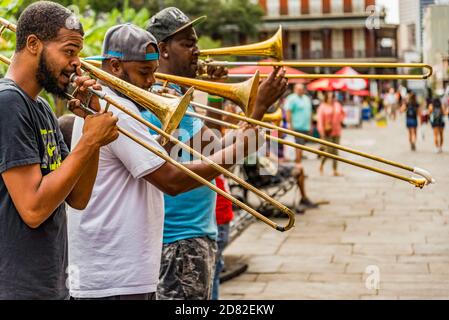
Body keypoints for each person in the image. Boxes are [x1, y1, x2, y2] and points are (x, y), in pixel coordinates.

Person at [67, 23, 267, 300]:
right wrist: (239, 148)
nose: (151, 81)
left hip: (124, 272)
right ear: (114, 66)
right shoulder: (114, 111)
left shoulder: (115, 107)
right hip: (115, 276)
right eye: (144, 73)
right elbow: (171, 180)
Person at [146, 7, 288, 300]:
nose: (198, 51)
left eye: (195, 42)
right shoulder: (161, 100)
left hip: (196, 233)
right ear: (163, 50)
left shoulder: (180, 96)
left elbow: (214, 145)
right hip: (177, 239)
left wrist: (235, 102)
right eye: (187, 44)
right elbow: (219, 155)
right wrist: (256, 110)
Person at [0, 1, 119, 300]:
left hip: (51, 286)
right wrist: (89, 141)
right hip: (17, 290)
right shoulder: (8, 103)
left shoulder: (40, 107)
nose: (77, 63)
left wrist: (91, 125)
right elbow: (33, 209)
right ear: (33, 44)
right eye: (69, 51)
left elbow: (78, 198)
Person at [283, 83, 317, 212]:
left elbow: (309, 112)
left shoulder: (306, 99)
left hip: (304, 127)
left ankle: (299, 164)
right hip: (296, 128)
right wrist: (290, 126)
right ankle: (298, 165)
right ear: (295, 89)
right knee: (297, 149)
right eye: (298, 88)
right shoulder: (292, 98)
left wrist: (309, 125)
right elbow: (288, 111)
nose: (300, 90)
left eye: (302, 88)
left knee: (300, 149)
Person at [317, 91, 345, 176]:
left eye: (332, 97)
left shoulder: (337, 105)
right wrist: (321, 132)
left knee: (336, 152)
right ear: (326, 97)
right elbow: (320, 120)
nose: (331, 99)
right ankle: (321, 164)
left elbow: (343, 113)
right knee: (328, 151)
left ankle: (335, 170)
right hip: (327, 132)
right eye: (329, 97)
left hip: (336, 131)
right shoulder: (322, 106)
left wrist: (340, 120)